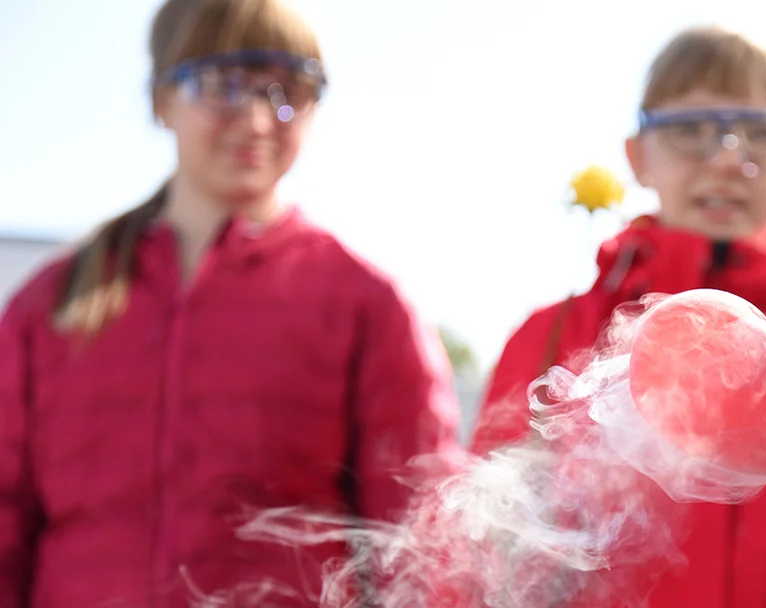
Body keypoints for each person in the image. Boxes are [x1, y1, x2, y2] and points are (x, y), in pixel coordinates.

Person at [470, 25, 766, 607]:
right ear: (637, 157)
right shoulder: (551, 339)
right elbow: (485, 546)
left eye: (760, 133)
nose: (727, 159)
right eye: (689, 131)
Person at [0, 0, 460, 606]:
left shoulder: (365, 305)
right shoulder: (48, 306)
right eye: (224, 84)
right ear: (162, 99)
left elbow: (422, 546)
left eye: (289, 88)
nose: (259, 118)